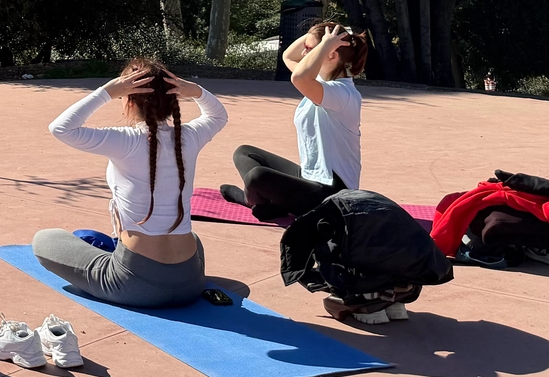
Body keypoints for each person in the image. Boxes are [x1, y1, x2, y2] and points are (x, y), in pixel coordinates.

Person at [34, 58, 228, 308]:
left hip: (134, 285)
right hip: (190, 281)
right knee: (191, 238)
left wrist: (107, 92)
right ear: (174, 100)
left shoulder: (126, 140)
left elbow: (61, 128)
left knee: (45, 239)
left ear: (127, 100)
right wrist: (197, 91)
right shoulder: (190, 136)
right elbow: (218, 116)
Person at [221, 21, 370, 222]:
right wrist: (317, 34)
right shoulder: (319, 80)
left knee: (257, 176)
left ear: (332, 55)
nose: (303, 54)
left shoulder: (342, 94)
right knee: (245, 153)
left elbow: (298, 77)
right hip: (310, 178)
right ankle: (271, 205)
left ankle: (253, 201)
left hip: (333, 195)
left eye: (309, 50)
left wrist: (325, 44)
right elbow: (288, 56)